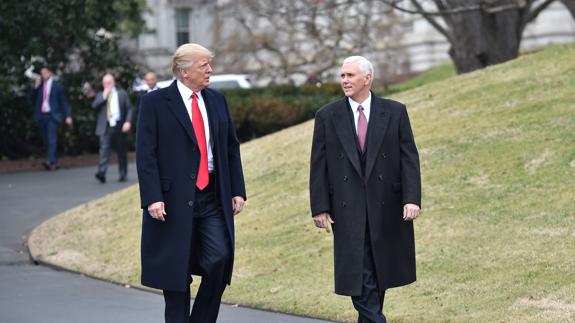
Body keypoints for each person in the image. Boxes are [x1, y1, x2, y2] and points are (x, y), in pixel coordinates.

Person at [136, 43, 246, 323]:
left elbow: (231, 148)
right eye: (204, 65)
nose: (210, 70)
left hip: (210, 197)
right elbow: (145, 154)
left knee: (220, 259)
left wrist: (237, 189)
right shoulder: (155, 103)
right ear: (185, 72)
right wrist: (152, 197)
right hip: (170, 202)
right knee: (176, 276)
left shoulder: (217, 100)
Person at [309, 56, 421, 323]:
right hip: (346, 209)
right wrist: (320, 206)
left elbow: (409, 158)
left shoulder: (395, 112)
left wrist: (411, 198)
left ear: (367, 78)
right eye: (342, 76)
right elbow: (318, 164)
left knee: (378, 272)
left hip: (387, 205)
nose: (345, 81)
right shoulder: (327, 116)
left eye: (350, 76)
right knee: (358, 273)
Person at [91, 74, 133, 183]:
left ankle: (123, 174)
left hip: (119, 125)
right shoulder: (101, 94)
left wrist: (128, 122)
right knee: (104, 150)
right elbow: (94, 106)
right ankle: (101, 172)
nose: (107, 85)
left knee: (121, 151)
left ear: (113, 82)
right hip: (106, 126)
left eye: (109, 82)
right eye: (105, 83)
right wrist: (104, 96)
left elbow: (129, 108)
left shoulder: (121, 94)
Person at [30, 66, 73, 170]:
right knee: (46, 140)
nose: (43, 75)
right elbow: (31, 98)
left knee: (51, 139)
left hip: (52, 116)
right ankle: (54, 161)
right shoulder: (40, 86)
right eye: (42, 73)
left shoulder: (57, 86)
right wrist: (35, 87)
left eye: (45, 72)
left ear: (50, 73)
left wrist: (68, 116)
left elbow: (63, 102)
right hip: (42, 115)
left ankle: (50, 161)